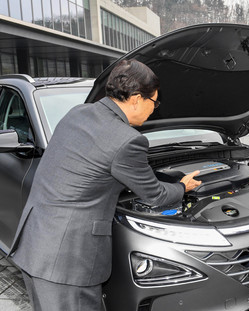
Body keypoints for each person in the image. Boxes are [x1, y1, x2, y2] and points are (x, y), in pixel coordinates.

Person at [9, 59, 201, 311]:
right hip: (68, 262)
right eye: (154, 102)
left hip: (35, 243)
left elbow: (88, 166)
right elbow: (155, 196)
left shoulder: (77, 112)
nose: (155, 109)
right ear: (135, 99)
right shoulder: (128, 140)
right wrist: (182, 187)